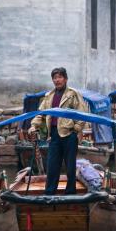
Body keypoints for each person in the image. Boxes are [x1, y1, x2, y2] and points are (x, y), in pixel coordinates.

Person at [28, 67, 86, 195]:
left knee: (70, 166)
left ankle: (70, 193)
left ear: (65, 79)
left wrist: (76, 130)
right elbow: (41, 114)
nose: (57, 80)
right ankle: (49, 193)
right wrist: (34, 126)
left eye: (59, 77)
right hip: (54, 135)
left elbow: (82, 113)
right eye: (54, 78)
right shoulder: (49, 96)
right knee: (52, 165)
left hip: (69, 134)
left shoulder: (72, 94)